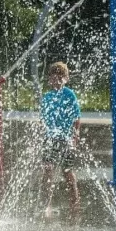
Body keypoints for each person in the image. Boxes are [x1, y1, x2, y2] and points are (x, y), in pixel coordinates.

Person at [39, 61, 80, 217]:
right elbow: (43, 119)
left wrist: (75, 136)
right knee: (48, 170)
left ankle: (74, 202)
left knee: (67, 171)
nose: (56, 80)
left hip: (66, 139)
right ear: (49, 79)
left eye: (60, 77)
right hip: (50, 139)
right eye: (53, 77)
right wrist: (42, 133)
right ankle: (46, 205)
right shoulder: (47, 97)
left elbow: (77, 117)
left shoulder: (69, 95)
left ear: (66, 78)